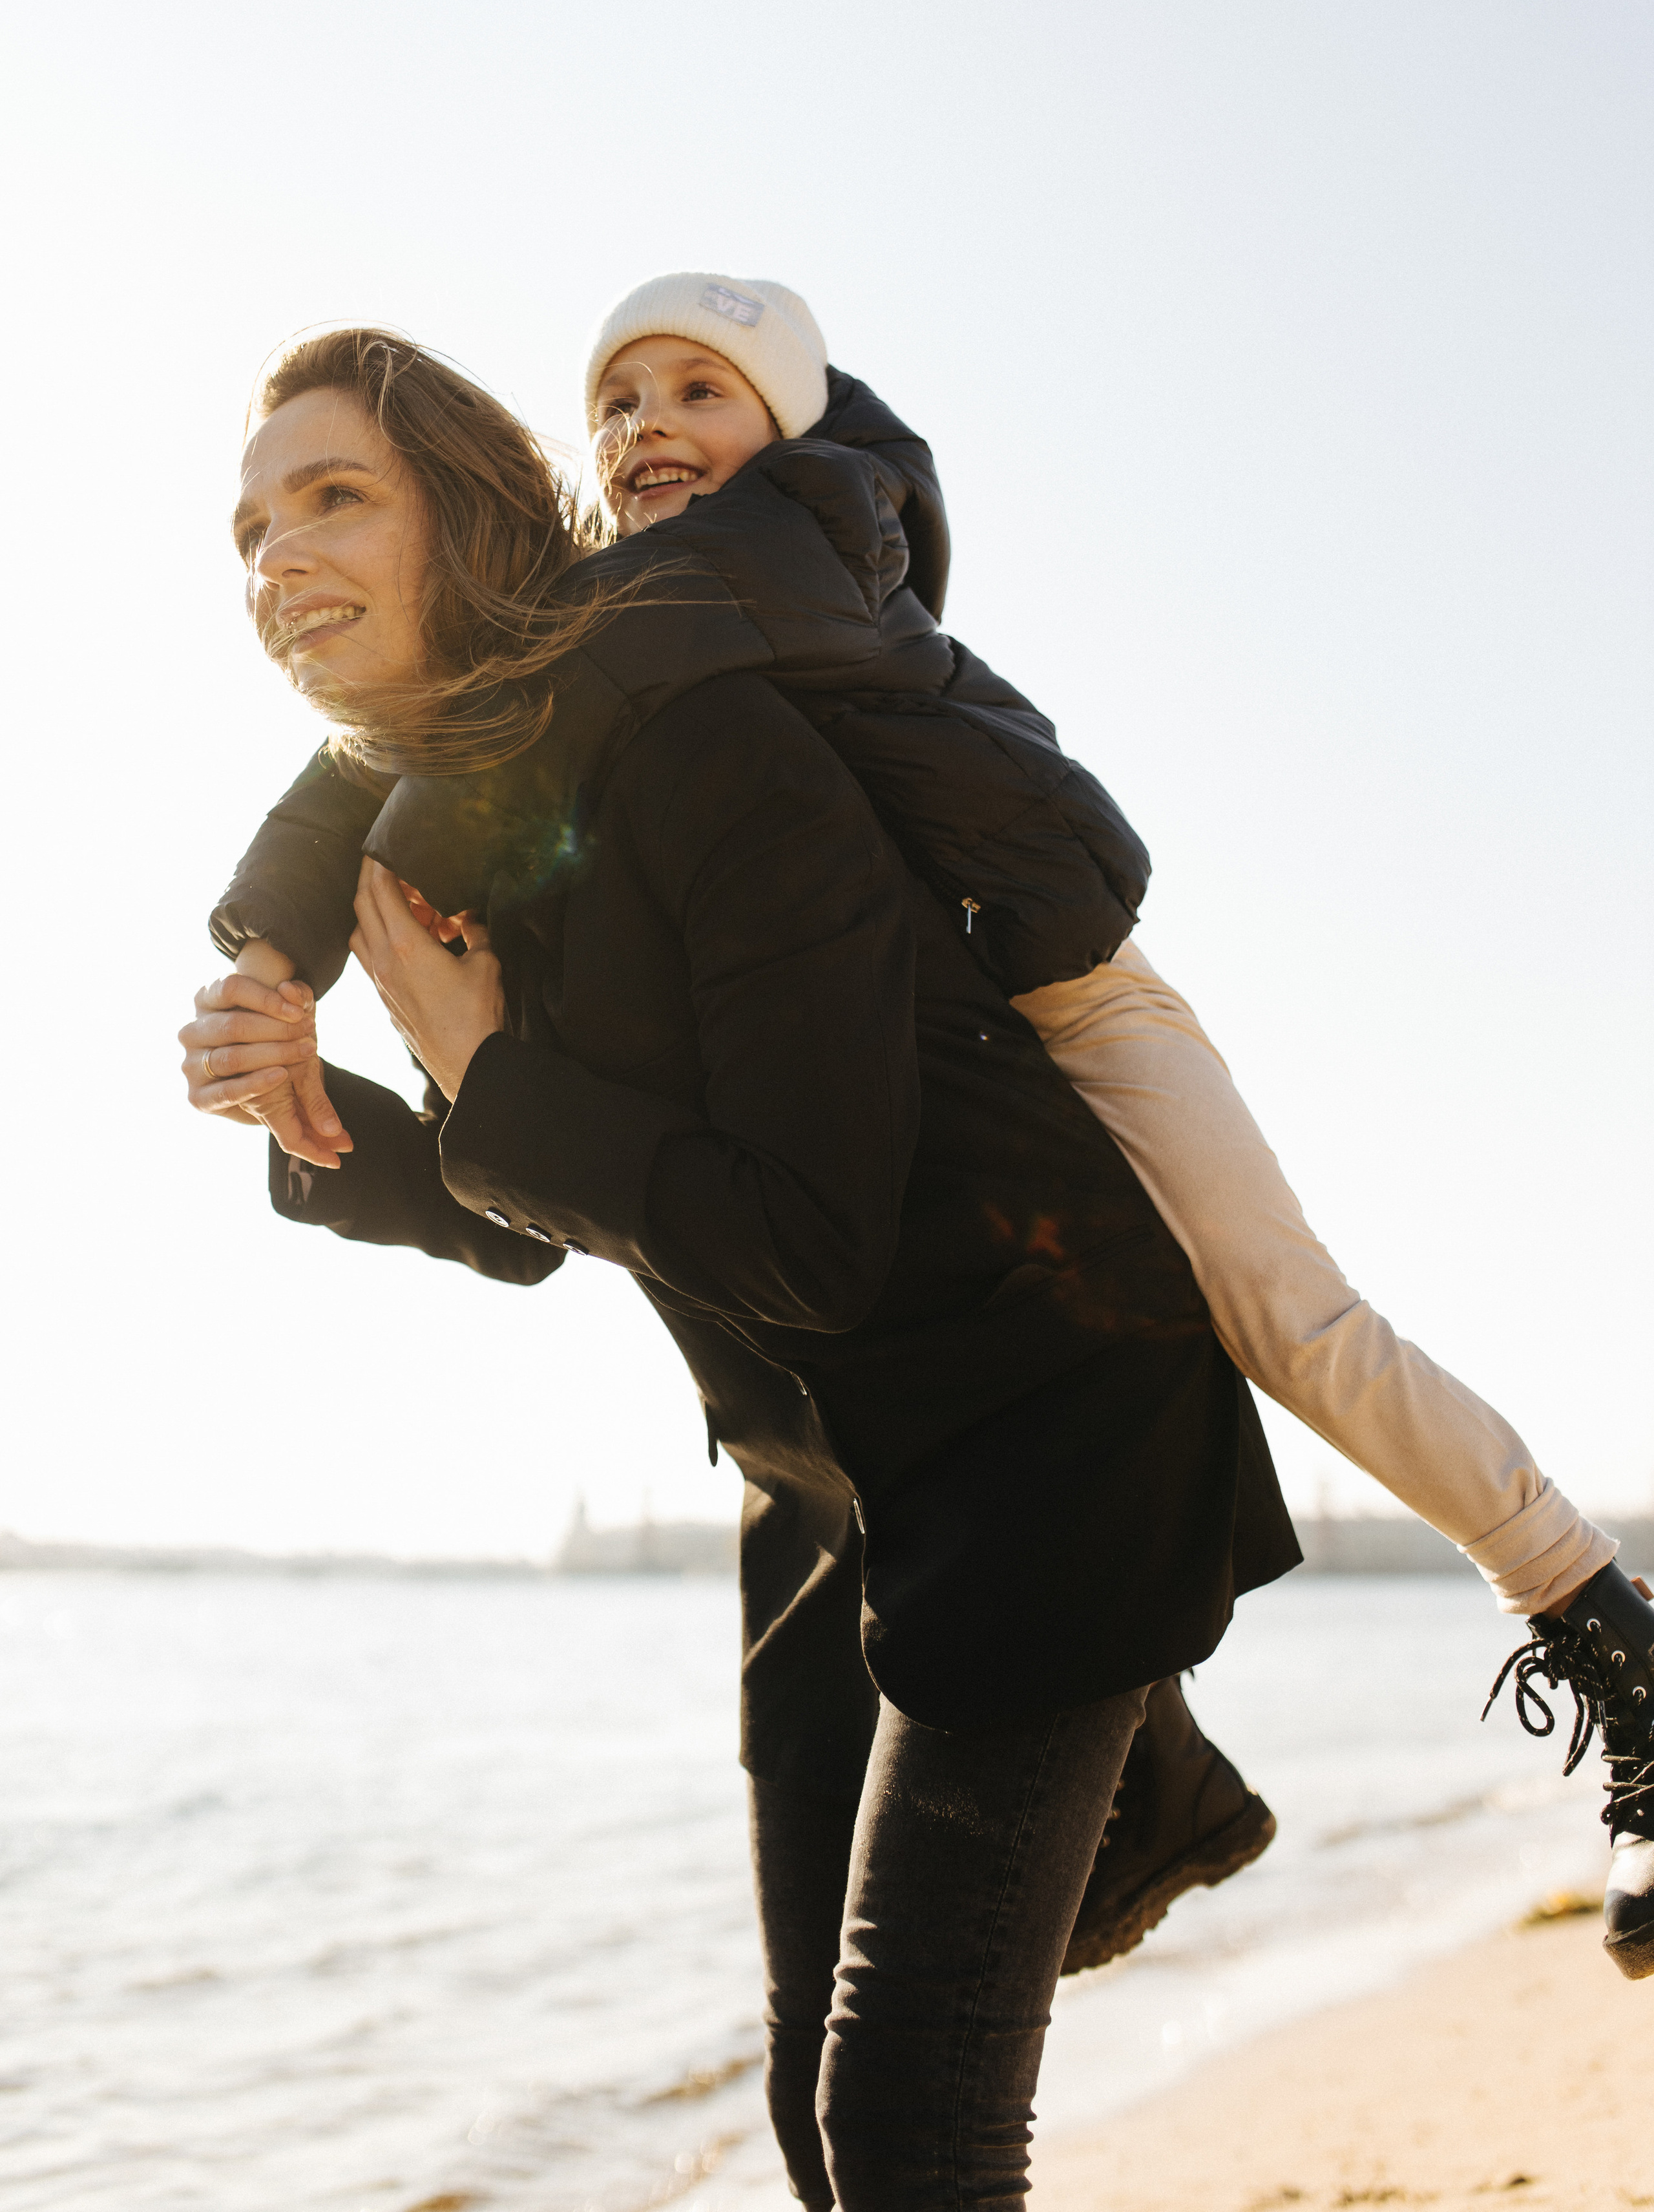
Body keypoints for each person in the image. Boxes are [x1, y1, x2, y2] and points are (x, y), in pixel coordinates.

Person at [196, 287, 1654, 1992]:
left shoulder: (797, 527)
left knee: (1283, 1318)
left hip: (1072, 988)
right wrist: (290, 995)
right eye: (615, 402)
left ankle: (1593, 1619)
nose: (648, 427)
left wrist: (339, 905)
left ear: (798, 422)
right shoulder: (620, 617)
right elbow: (398, 799)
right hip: (900, 1158)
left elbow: (401, 761)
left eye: (697, 388)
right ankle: (1163, 1778)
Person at [183, 324, 1306, 2205]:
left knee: (908, 2122)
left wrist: (480, 1069)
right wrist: (330, 1128)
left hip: (1041, 1428)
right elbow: (548, 1221)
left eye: (332, 499)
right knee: (816, 2117)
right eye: (246, 525)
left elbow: (806, 1224)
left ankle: (1144, 1776)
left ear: (470, 518)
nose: (272, 557)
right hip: (817, 1492)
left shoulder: (703, 736)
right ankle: (1159, 1797)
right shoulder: (455, 815)